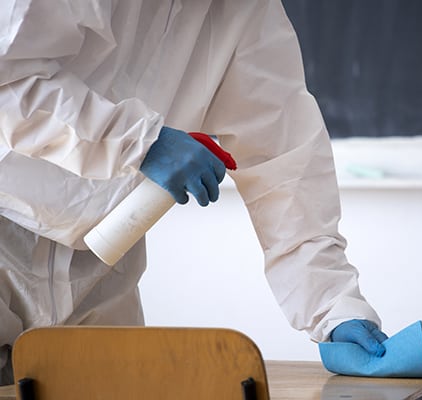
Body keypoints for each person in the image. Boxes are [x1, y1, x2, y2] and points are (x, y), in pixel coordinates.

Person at [0, 0, 386, 383]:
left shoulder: (248, 12)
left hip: (106, 259)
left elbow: (286, 166)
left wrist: (334, 306)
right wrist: (140, 142)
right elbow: (8, 81)